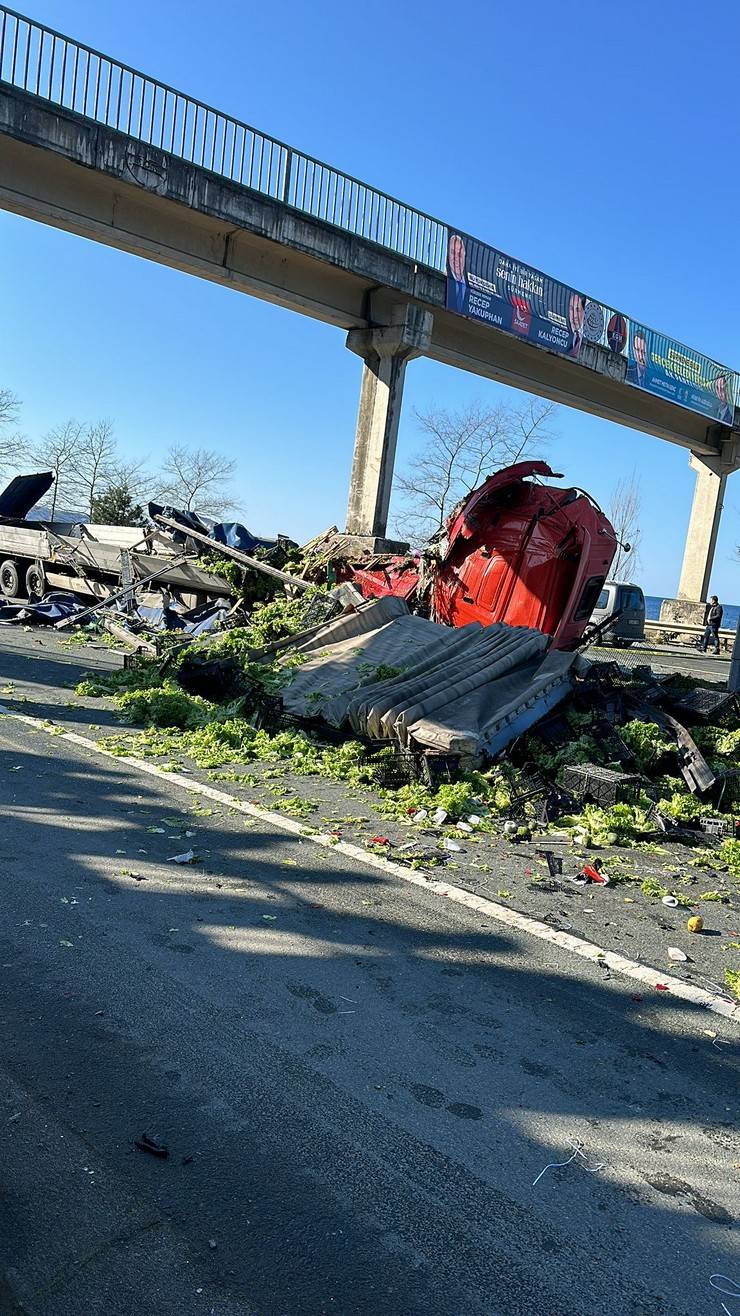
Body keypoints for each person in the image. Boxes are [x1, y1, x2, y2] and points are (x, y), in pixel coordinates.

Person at [447, 233, 467, 313]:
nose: (456, 258)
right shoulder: (447, 279)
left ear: (464, 256)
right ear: (448, 253)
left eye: (459, 254)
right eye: (452, 252)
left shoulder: (470, 286)